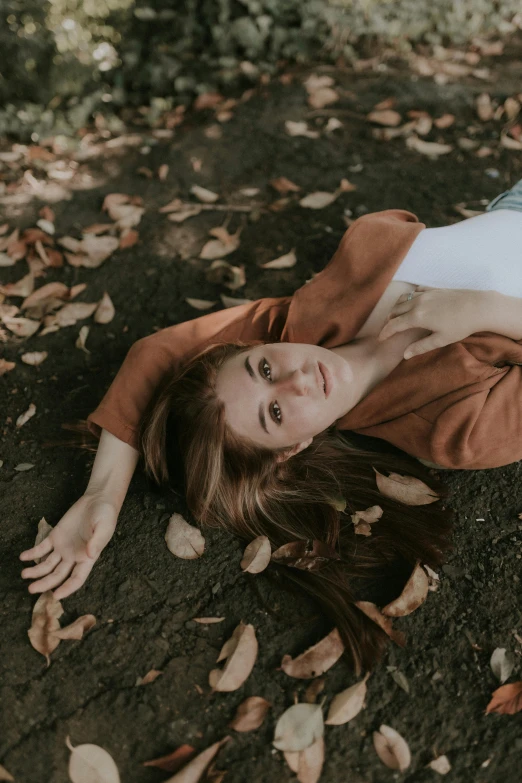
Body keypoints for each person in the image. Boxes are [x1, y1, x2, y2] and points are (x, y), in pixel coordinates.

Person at [19, 179, 522, 672]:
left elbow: (153, 354)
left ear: (251, 347)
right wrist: (488, 310)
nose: (297, 380)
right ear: (291, 449)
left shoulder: (307, 318)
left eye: (262, 368)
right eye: (275, 414)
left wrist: (102, 493)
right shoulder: (459, 430)